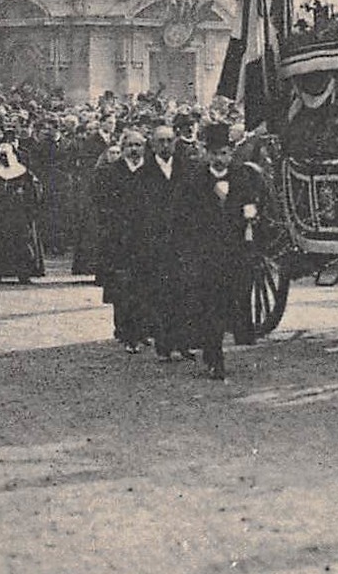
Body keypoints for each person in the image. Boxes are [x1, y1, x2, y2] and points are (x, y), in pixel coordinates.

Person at [174, 124, 267, 381]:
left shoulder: (241, 176)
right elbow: (182, 215)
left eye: (224, 153)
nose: (219, 158)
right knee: (209, 304)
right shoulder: (195, 179)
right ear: (206, 153)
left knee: (229, 301)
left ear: (230, 153)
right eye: (214, 153)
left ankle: (223, 343)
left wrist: (251, 215)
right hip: (205, 253)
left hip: (234, 253)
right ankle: (214, 357)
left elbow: (251, 205)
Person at [133, 123, 193, 361]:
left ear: (175, 142)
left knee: (185, 292)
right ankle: (164, 345)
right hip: (155, 243)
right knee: (161, 294)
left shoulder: (187, 170)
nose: (166, 145)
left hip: (183, 241)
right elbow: (137, 213)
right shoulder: (143, 175)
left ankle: (185, 343)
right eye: (161, 141)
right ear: (153, 144)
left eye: (169, 141)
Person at [97, 128, 151, 352]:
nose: (134, 150)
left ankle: (143, 330)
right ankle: (126, 332)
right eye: (130, 146)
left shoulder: (151, 171)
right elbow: (101, 204)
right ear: (124, 149)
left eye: (138, 145)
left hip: (145, 235)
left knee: (145, 284)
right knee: (123, 286)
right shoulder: (111, 172)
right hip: (120, 236)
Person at [0, 143, 45, 284]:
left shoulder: (24, 172)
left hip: (19, 212)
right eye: (2, 155)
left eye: (7, 154)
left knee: (22, 243)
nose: (5, 158)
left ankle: (24, 274)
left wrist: (24, 196)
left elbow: (35, 190)